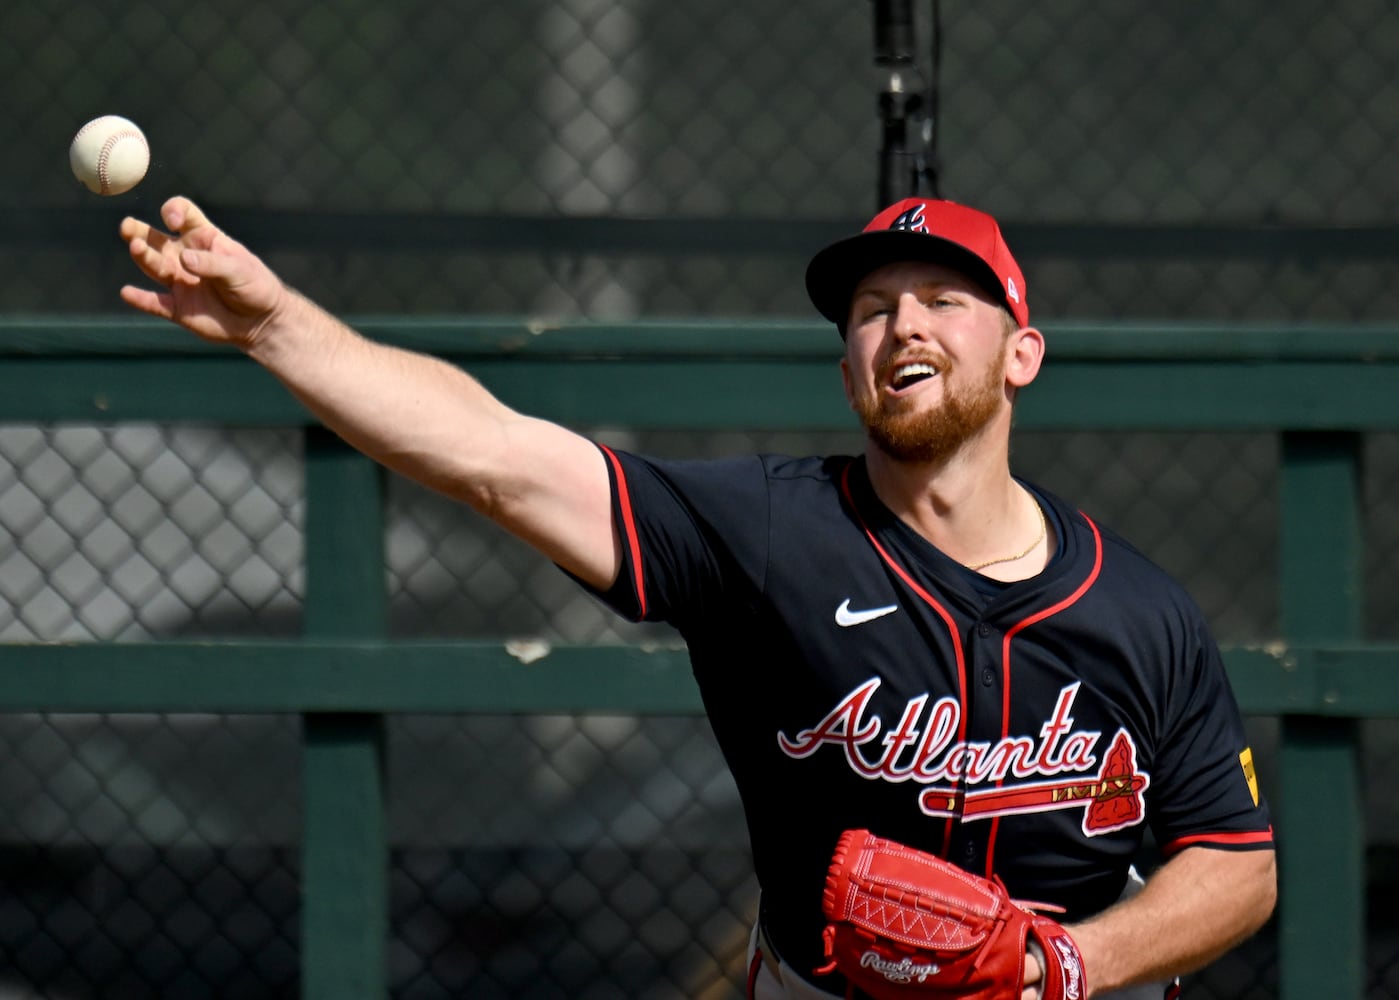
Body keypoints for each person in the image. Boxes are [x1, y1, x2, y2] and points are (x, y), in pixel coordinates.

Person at [119, 194, 1276, 999]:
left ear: (1020, 353)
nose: (904, 325)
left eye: (944, 299)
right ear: (845, 366)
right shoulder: (769, 533)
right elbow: (494, 454)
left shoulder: (1138, 610)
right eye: (872, 308)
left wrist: (1065, 964)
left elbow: (1237, 863)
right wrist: (275, 326)